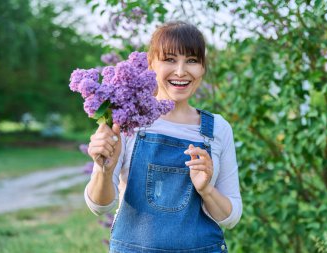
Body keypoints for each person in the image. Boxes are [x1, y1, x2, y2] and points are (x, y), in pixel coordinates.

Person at [85, 21, 242, 253]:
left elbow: (230, 217)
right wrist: (104, 170)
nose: (181, 71)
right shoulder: (128, 121)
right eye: (169, 59)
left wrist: (207, 189)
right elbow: (100, 206)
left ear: (202, 68)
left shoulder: (218, 129)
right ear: (151, 64)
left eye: (192, 60)